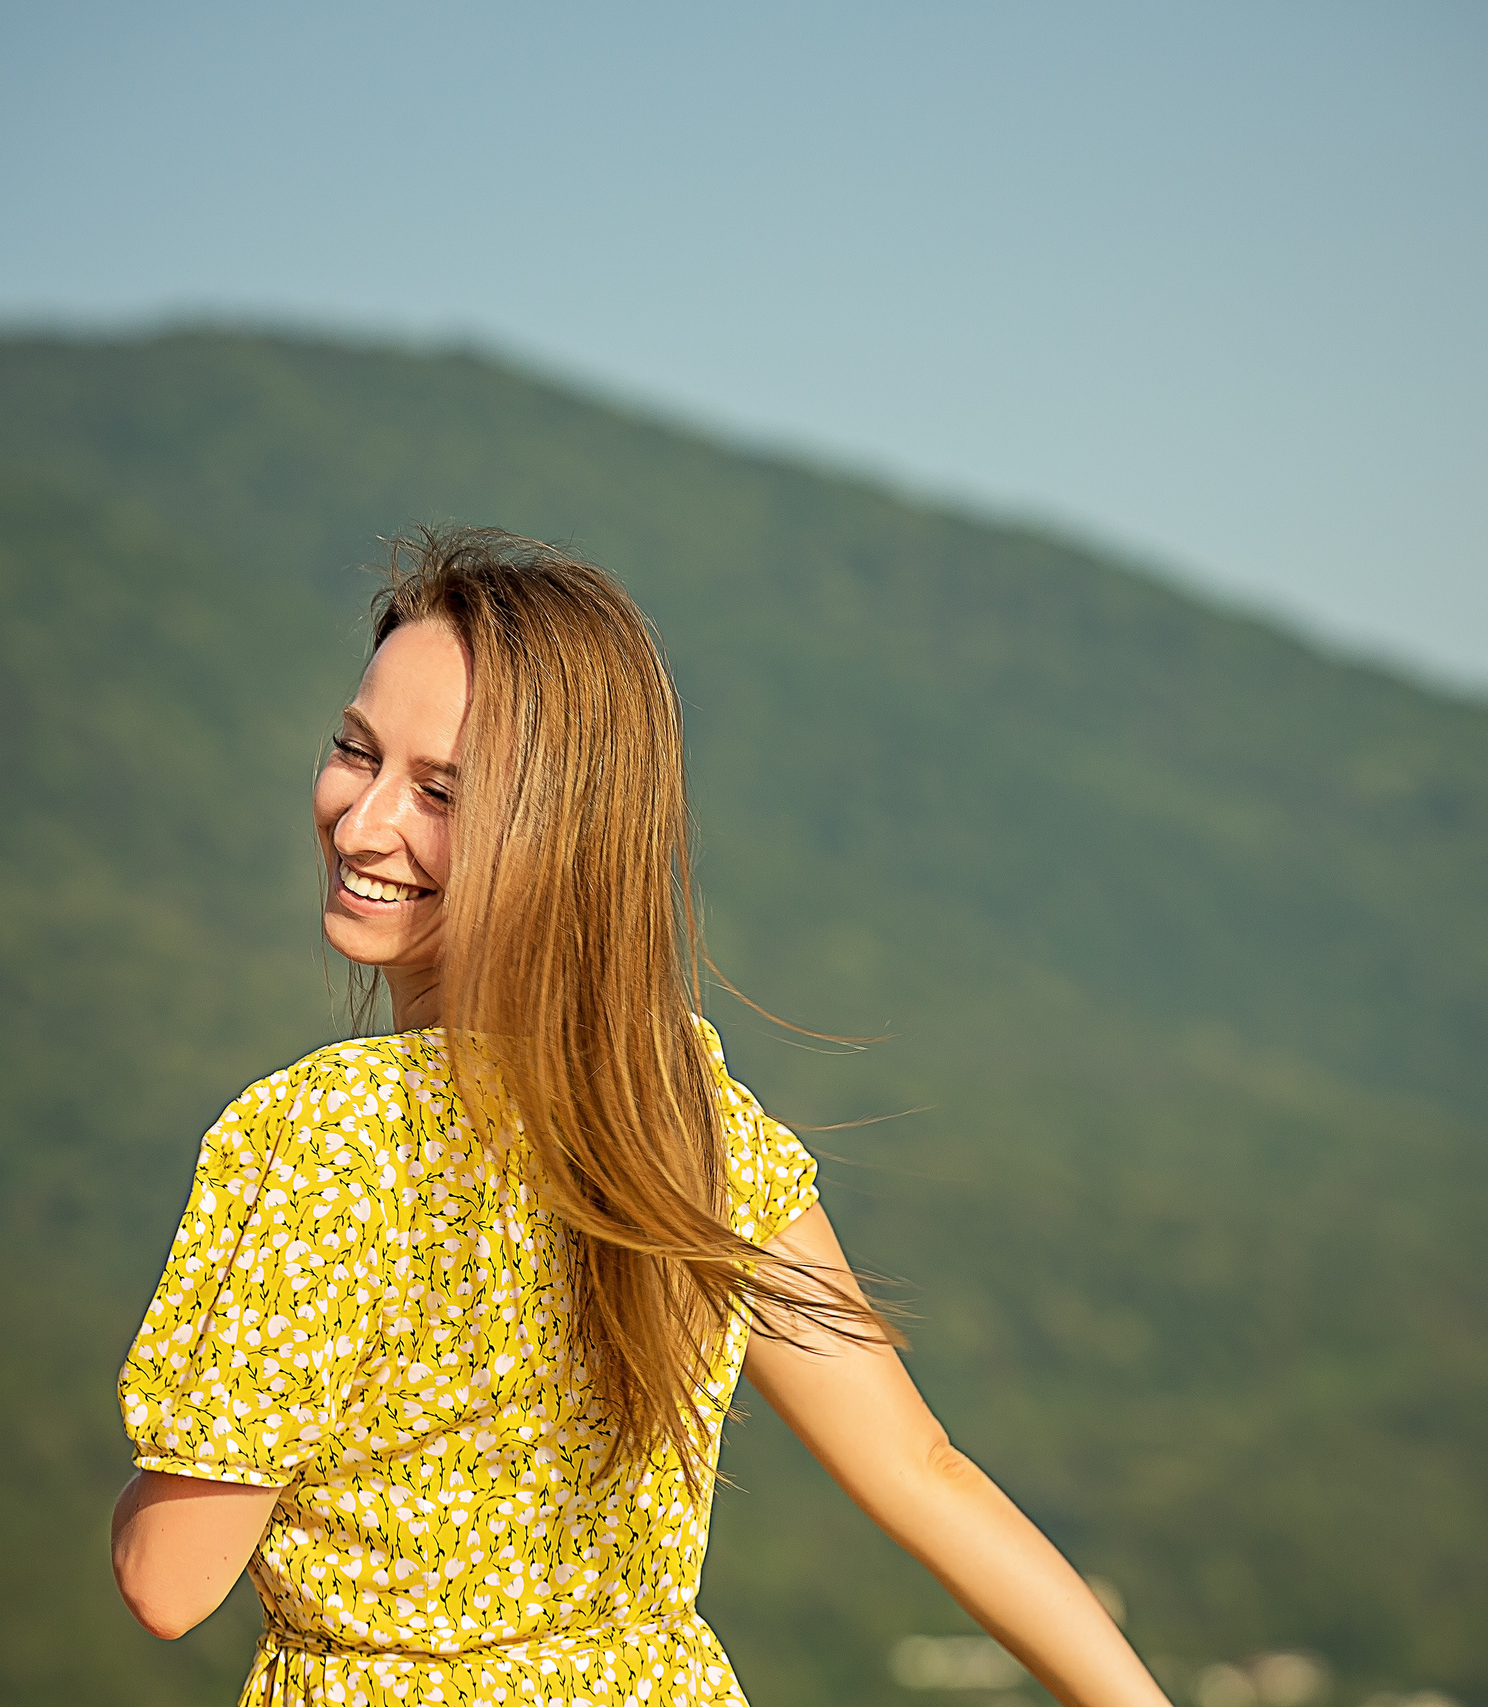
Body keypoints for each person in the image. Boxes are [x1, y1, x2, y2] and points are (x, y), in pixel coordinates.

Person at [111, 528, 1167, 1707]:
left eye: (440, 793)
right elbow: (923, 1471)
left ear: (555, 834)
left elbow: (170, 1582)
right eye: (356, 753)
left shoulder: (320, 1136)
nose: (363, 823)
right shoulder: (678, 1114)